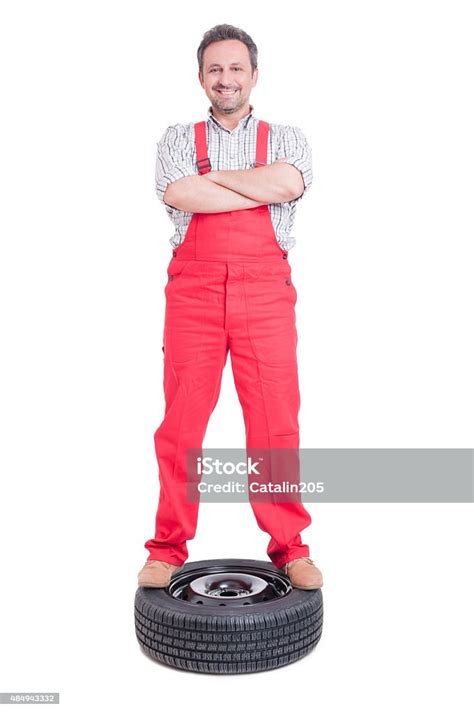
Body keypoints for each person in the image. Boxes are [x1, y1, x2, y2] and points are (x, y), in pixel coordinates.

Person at [138, 24, 323, 590]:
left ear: (254, 75)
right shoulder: (176, 137)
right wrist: (252, 186)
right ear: (201, 78)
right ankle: (167, 547)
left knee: (275, 425)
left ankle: (289, 548)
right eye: (215, 69)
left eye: (236, 68)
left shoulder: (287, 138)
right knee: (181, 426)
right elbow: (178, 192)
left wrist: (212, 181)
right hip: (193, 294)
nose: (226, 78)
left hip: (265, 292)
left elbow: (287, 183)